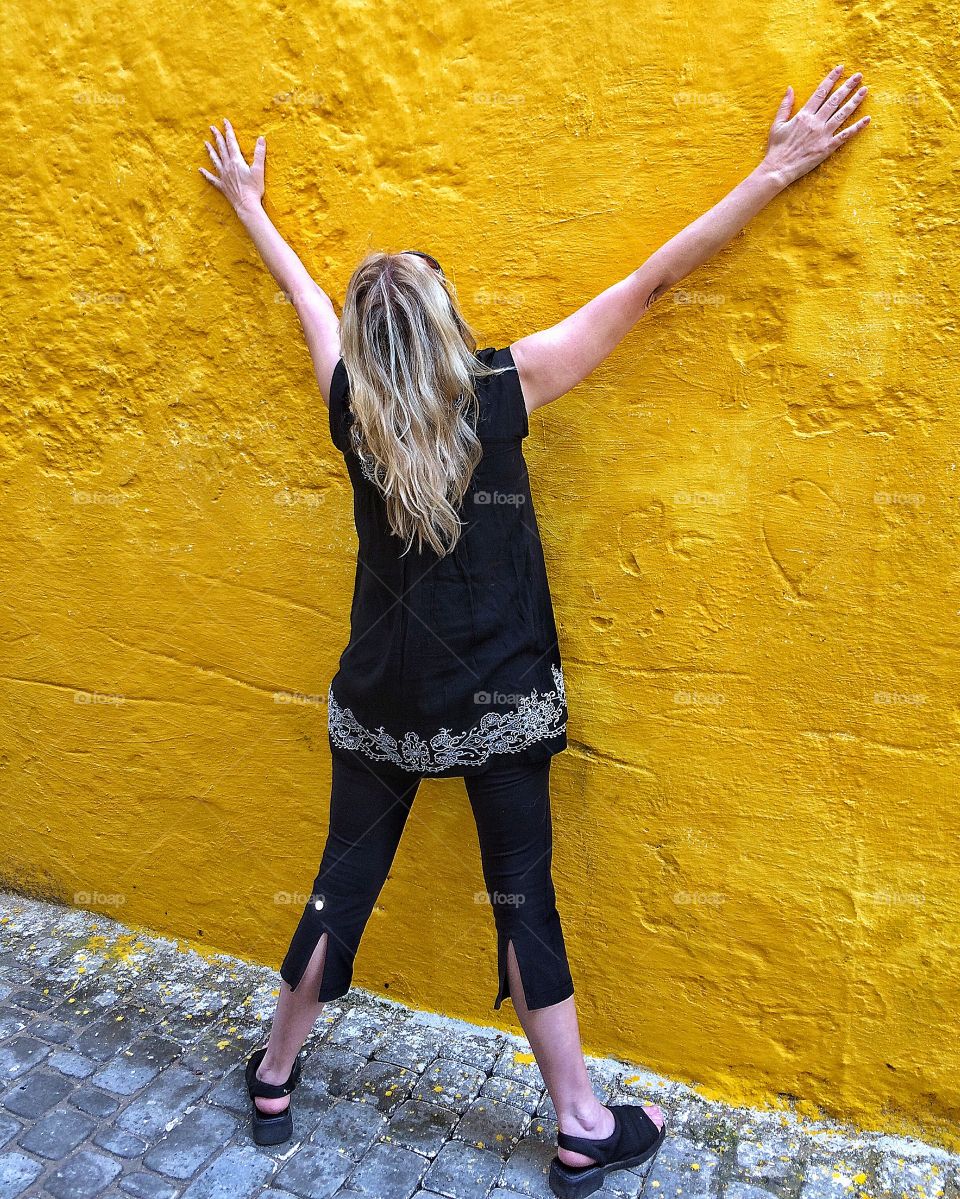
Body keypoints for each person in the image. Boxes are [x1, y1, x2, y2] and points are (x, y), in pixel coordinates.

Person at [199, 64, 869, 1198]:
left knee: (338, 887)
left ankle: (271, 1076)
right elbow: (651, 280)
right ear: (445, 326)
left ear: (369, 343)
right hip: (499, 697)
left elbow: (307, 300)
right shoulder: (502, 390)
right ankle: (580, 1123)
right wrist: (777, 168)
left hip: (380, 698)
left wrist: (251, 209)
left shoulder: (349, 405)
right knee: (522, 895)